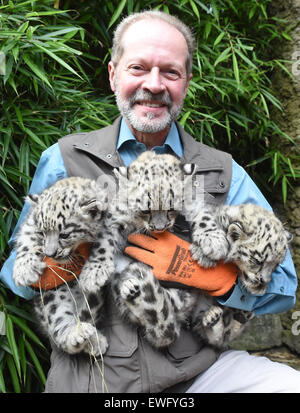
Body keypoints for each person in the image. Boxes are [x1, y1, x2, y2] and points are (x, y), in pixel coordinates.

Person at [1, 10, 300, 393]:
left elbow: (284, 285)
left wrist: (218, 279)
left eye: (171, 72)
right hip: (96, 376)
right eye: (139, 67)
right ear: (113, 75)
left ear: (187, 83)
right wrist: (61, 261)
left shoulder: (224, 171)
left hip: (199, 373)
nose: (154, 85)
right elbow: (16, 275)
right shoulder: (64, 159)